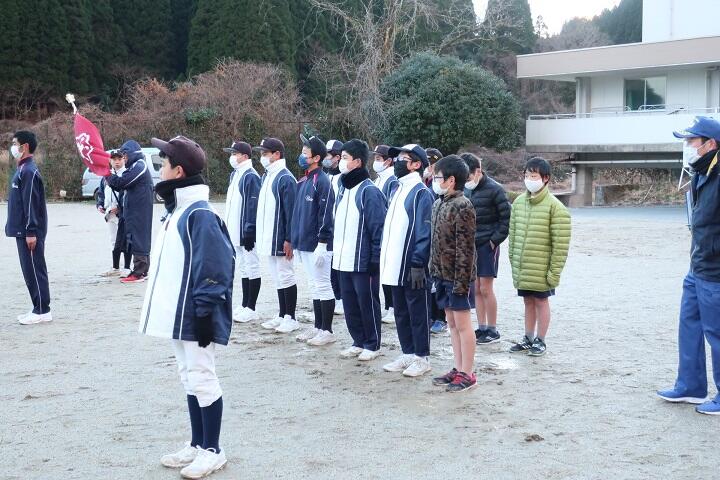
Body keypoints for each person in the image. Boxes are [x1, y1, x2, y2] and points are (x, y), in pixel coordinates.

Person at [139, 135, 234, 478]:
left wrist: (206, 312)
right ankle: (197, 443)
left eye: (163, 163)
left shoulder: (200, 214)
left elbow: (215, 267)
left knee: (203, 377)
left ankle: (213, 449)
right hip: (179, 315)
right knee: (189, 376)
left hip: (196, 314)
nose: (159, 168)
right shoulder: (178, 210)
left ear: (178, 171)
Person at [657, 116, 720, 415]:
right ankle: (691, 386)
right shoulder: (701, 173)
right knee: (689, 325)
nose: (687, 146)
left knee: (716, 332)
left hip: (716, 269)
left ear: (711, 144)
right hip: (697, 266)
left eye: (691, 140)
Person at [507, 157, 571, 357]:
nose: (529, 179)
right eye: (527, 175)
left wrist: (554, 273)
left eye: (534, 176)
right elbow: (513, 236)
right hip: (524, 267)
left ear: (546, 178)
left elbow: (560, 245)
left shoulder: (556, 207)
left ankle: (540, 340)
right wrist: (514, 261)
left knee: (541, 302)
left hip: (542, 268)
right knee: (528, 301)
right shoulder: (518, 203)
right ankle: (528, 337)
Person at [380, 144, 434, 377]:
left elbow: (425, 231)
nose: (397, 162)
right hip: (394, 264)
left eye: (403, 158)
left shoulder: (422, 193)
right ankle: (408, 352)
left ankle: (422, 357)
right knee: (400, 311)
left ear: (416, 164)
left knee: (418, 312)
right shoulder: (397, 189)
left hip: (412, 266)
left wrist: (418, 262)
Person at [333, 139, 387, 361]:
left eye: (345, 158)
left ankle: (372, 344)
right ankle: (358, 340)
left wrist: (375, 258)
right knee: (349, 303)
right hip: (343, 258)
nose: (340, 161)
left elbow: (378, 228)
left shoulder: (369, 191)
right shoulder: (342, 188)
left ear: (357, 162)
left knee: (367, 302)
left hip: (362, 261)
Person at [429, 155, 477, 392]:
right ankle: (458, 368)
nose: (434, 180)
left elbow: (466, 249)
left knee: (463, 324)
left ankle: (468, 372)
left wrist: (461, 283)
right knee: (452, 324)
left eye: (438, 177)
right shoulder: (439, 203)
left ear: (450, 180)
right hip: (441, 275)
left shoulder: (463, 206)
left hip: (459, 278)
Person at [291, 135, 337, 346]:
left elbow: (325, 214)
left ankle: (327, 330)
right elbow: (298, 214)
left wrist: (323, 242)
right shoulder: (304, 181)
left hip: (318, 245)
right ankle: (318, 326)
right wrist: (295, 241)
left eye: (305, 153)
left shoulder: (323, 181)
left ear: (316, 158)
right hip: (304, 243)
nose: (301, 156)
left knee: (323, 285)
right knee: (313, 285)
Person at [461, 153, 511, 345]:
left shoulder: (495, 189)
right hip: (470, 245)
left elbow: (506, 218)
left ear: (478, 171)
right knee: (475, 288)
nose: (466, 181)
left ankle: (492, 329)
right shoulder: (465, 189)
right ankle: (481, 327)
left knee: (486, 288)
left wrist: (494, 241)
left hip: (487, 245)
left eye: (468, 176)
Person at [6, 130, 51, 325]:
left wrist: (31, 231)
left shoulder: (29, 171)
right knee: (28, 270)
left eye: (15, 143)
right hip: (21, 230)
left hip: (29, 231)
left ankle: (42, 310)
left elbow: (31, 203)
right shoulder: (22, 169)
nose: (13, 147)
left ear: (24, 146)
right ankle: (36, 307)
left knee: (34, 269)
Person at [254, 138, 299, 333]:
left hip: (281, 239)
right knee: (277, 277)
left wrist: (289, 239)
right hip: (269, 237)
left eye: (265, 153)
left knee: (286, 275)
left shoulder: (285, 178)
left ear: (277, 154)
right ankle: (282, 314)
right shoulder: (267, 176)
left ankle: (291, 317)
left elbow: (292, 212)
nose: (262, 157)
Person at [222, 140, 262, 323]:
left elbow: (252, 206)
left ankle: (251, 307)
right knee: (243, 267)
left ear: (245, 156)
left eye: (234, 154)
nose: (232, 157)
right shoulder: (235, 174)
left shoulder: (250, 176)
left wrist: (249, 230)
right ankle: (245, 304)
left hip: (246, 233)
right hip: (234, 231)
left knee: (252, 266)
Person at [105, 140, 154, 283]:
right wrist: (108, 175)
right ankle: (140, 270)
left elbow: (122, 182)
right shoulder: (133, 167)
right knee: (133, 240)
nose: (124, 158)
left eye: (125, 155)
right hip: (132, 211)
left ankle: (140, 272)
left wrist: (106, 173)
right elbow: (119, 186)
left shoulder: (140, 165)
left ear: (132, 153)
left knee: (140, 239)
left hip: (140, 211)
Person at [373, 144, 400, 325]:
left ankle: (392, 307)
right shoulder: (378, 179)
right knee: (383, 272)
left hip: (387, 232)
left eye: (378, 158)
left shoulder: (392, 180)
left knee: (390, 272)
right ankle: (388, 306)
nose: (375, 162)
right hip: (380, 232)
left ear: (389, 161)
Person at [96, 151, 131, 276]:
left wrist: (120, 208)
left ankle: (127, 268)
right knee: (114, 240)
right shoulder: (106, 176)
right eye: (114, 159)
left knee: (126, 240)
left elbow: (128, 195)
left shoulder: (127, 174)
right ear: (110, 161)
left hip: (122, 213)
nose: (117, 162)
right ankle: (115, 268)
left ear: (124, 159)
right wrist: (100, 205)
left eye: (119, 159)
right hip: (109, 213)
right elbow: (101, 193)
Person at [425, 147, 448, 334]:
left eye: (431, 164)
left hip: (439, 239)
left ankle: (441, 317)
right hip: (427, 236)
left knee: (438, 281)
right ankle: (431, 315)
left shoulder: (441, 185)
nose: (428, 167)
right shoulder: (423, 182)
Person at [323, 139, 345, 315]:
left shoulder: (342, 179)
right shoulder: (326, 176)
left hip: (338, 230)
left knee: (337, 267)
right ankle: (333, 296)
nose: (325, 158)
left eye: (328, 155)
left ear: (337, 157)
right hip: (326, 228)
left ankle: (341, 298)